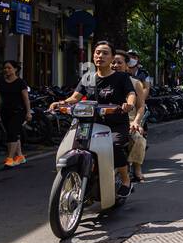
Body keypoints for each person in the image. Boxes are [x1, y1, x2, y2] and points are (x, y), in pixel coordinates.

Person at [48, 40, 140, 197]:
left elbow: (131, 94)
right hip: (89, 124)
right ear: (93, 56)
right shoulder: (87, 78)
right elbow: (75, 97)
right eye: (98, 52)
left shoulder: (121, 78)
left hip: (115, 125)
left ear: (111, 58)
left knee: (114, 145)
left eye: (105, 53)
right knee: (75, 145)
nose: (100, 56)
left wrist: (129, 104)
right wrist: (61, 103)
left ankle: (125, 180)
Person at [114, 50, 148, 183]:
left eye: (119, 63)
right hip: (105, 121)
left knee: (138, 139)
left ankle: (137, 169)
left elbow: (140, 106)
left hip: (128, 120)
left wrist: (136, 122)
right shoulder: (99, 80)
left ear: (127, 66)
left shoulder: (135, 83)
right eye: (113, 62)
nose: (115, 65)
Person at [0, 59, 32, 168]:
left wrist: (28, 112)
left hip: (18, 111)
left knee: (12, 134)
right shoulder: (1, 82)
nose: (7, 70)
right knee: (13, 134)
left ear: (15, 69)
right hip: (5, 111)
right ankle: (19, 156)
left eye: (9, 68)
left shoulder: (20, 82)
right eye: (5, 68)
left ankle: (9, 158)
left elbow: (26, 99)